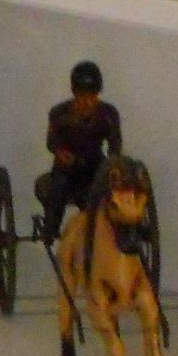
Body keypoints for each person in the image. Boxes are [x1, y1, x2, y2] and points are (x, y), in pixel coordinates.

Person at [34, 60, 122, 241]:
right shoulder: (59, 114)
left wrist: (111, 165)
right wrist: (60, 152)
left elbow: (115, 144)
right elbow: (52, 141)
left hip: (94, 164)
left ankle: (99, 229)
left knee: (103, 194)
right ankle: (51, 227)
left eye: (93, 96)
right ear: (74, 94)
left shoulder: (108, 115)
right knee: (58, 189)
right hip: (67, 166)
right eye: (82, 97)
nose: (88, 102)